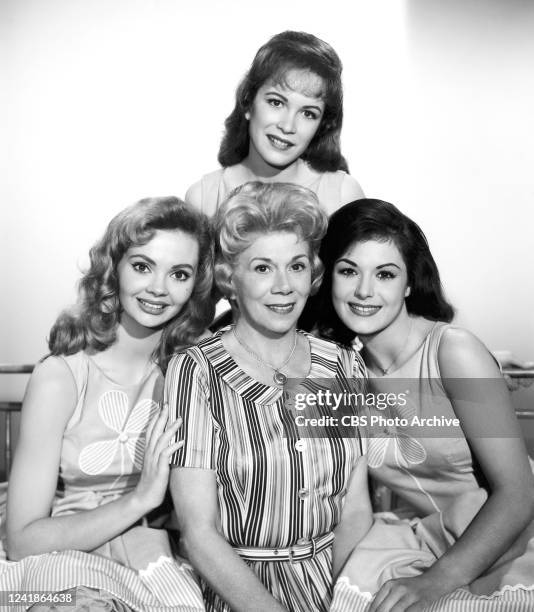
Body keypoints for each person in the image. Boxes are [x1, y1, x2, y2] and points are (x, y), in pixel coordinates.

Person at [314, 198, 534, 612]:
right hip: (421, 542)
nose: (364, 291)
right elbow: (351, 503)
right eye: (348, 271)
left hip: (511, 539)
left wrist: (438, 580)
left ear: (409, 283)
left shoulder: (453, 352)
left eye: (385, 274)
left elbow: (519, 493)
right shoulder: (338, 373)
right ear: (328, 279)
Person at [165, 182, 370, 612]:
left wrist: (345, 600)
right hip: (239, 591)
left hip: (336, 582)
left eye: (296, 266)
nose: (283, 286)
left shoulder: (345, 366)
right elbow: (199, 534)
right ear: (230, 278)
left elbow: (354, 510)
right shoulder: (196, 370)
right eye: (262, 268)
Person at [2, 197, 214, 611]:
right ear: (112, 268)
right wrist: (140, 500)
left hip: (149, 558)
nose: (158, 288)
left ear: (196, 285)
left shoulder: (190, 372)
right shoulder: (61, 378)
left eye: (179, 274)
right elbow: (22, 539)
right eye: (142, 266)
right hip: (55, 562)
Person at [185, 31, 364, 217]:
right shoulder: (203, 199)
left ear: (322, 125)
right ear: (247, 102)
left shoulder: (343, 196)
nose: (288, 126)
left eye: (308, 113)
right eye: (276, 103)